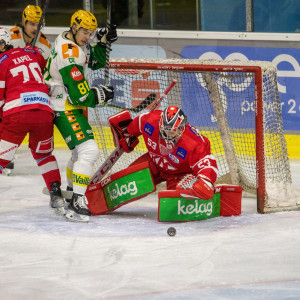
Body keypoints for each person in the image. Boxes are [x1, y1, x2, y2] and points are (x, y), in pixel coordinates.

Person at [44, 9, 118, 223]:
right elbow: (79, 97)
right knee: (89, 150)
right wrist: (100, 95)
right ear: (75, 27)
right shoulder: (69, 55)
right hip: (63, 105)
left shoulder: (71, 39)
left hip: (67, 103)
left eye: (91, 32)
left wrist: (103, 42)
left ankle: (70, 192)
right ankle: (78, 200)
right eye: (85, 31)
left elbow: (94, 61)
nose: (88, 36)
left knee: (79, 154)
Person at [0, 27, 65, 215]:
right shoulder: (33, 53)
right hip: (44, 111)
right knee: (43, 154)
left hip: (17, 114)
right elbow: (45, 70)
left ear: (4, 44)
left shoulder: (1, 62)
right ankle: (56, 193)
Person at [113, 105, 219, 198]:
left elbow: (208, 164)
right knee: (126, 182)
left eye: (172, 132)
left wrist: (206, 180)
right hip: (154, 163)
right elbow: (139, 122)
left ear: (181, 129)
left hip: (179, 176)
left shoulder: (194, 142)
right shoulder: (150, 121)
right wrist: (127, 134)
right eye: (165, 131)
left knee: (173, 204)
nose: (167, 135)